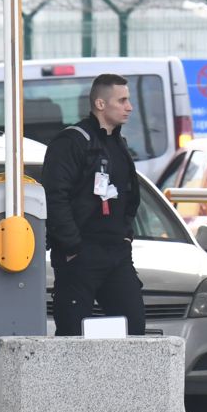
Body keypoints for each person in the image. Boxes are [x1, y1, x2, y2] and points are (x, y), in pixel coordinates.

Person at [44, 73, 145, 336]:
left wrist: (126, 236)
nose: (129, 107)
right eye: (122, 100)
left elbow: (130, 196)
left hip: (117, 253)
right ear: (100, 104)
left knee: (133, 329)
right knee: (73, 333)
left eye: (128, 100)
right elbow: (55, 196)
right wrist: (72, 246)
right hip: (80, 255)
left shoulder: (118, 144)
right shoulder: (72, 142)